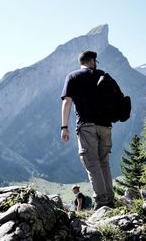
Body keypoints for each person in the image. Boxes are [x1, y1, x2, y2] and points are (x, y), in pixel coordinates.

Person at [60, 50, 115, 210]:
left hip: (87, 126)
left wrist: (64, 126)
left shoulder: (73, 77)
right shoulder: (102, 75)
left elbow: (67, 102)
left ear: (82, 62)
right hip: (106, 126)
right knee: (104, 163)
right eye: (96, 61)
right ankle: (110, 200)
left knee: (92, 163)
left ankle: (102, 203)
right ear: (92, 61)